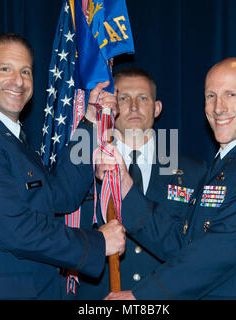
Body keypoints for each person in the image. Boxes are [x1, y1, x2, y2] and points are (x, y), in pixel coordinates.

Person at [0, 33, 126, 300]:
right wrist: (97, 243)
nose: (19, 81)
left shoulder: (5, 138)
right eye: (5, 69)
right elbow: (16, 229)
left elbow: (61, 195)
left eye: (26, 71)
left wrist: (90, 121)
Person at [99, 57, 236, 299]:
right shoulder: (229, 163)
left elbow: (218, 251)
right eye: (211, 96)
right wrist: (126, 190)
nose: (218, 108)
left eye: (231, 95)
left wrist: (141, 297)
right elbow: (183, 242)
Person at [66, 67, 207, 299]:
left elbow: (196, 250)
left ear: (157, 107)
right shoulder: (83, 167)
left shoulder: (193, 172)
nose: (133, 106)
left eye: (142, 98)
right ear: (111, 105)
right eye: (123, 98)